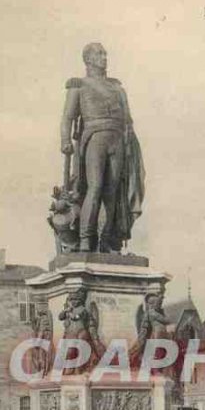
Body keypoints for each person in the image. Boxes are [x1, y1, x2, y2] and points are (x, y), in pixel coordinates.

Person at [60, 43, 145, 253]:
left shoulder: (117, 88)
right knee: (95, 187)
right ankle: (86, 238)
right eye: (99, 54)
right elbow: (67, 118)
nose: (104, 57)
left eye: (105, 53)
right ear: (88, 59)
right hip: (94, 137)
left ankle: (106, 240)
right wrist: (65, 140)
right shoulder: (78, 86)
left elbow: (128, 120)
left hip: (118, 139)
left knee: (112, 192)